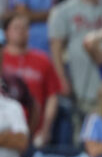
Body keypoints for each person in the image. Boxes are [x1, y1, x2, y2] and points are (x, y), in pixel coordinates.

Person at [2, 12, 61, 148]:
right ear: (6, 32)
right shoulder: (2, 58)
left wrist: (46, 129)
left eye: (25, 28)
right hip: (4, 128)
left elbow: (53, 96)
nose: (21, 32)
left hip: (35, 129)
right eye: (16, 28)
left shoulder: (43, 60)